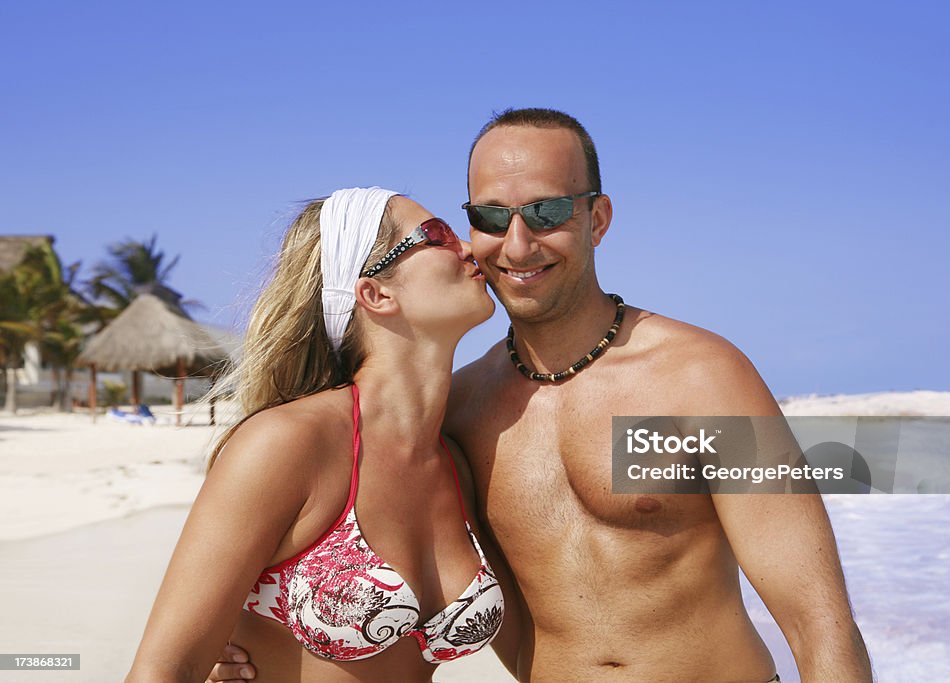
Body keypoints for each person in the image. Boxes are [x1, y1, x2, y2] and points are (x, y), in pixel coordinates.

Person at [209, 110, 873, 682]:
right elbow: (357, 569)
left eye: (548, 212)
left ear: (598, 217)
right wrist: (248, 651)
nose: (518, 243)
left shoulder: (702, 379)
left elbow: (819, 619)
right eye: (492, 217)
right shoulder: (460, 414)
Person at [127, 188, 506, 682]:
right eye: (436, 236)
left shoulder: (454, 462)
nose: (472, 248)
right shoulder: (286, 444)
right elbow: (162, 671)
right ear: (376, 293)